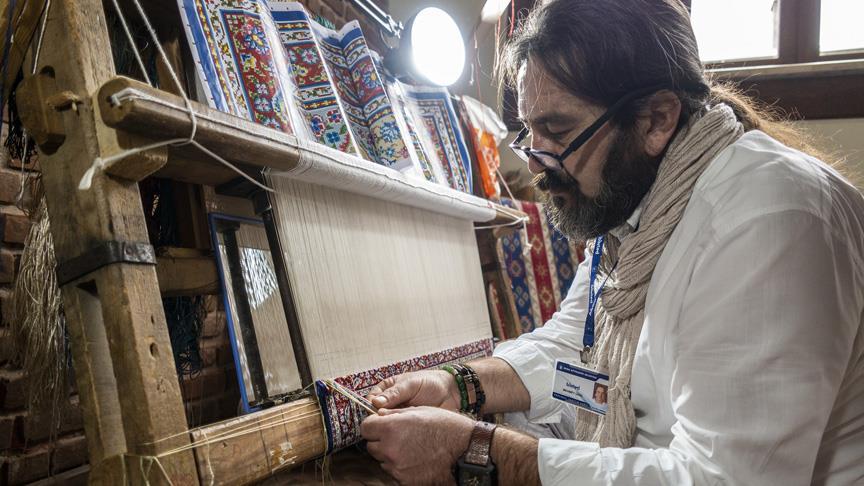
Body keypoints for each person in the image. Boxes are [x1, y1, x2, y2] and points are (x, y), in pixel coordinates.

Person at [360, 1, 864, 484]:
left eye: (557, 130)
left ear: (656, 120)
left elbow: (724, 480)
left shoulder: (768, 219)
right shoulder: (634, 209)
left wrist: (474, 452)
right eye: (530, 131)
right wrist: (459, 384)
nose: (535, 162)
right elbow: (576, 347)